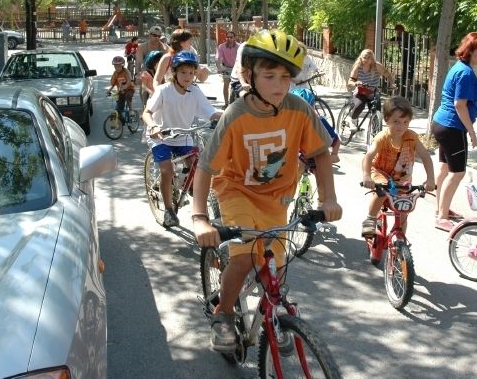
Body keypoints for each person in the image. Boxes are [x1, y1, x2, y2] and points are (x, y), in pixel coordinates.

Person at [189, 29, 343, 353]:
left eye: (285, 77)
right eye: (269, 75)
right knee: (244, 260)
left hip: (277, 200)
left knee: (276, 267)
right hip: (236, 192)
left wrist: (328, 199)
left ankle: (270, 314)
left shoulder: (299, 110)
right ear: (249, 76)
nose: (278, 85)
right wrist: (200, 218)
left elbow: (320, 153)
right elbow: (205, 167)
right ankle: (224, 313)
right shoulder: (235, 116)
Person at [142, 51, 222, 228]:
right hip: (161, 136)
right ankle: (169, 211)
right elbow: (146, 113)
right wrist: (153, 126)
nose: (188, 76)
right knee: (167, 170)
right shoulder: (164, 90)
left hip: (183, 136)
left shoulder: (195, 92)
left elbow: (211, 112)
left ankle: (191, 193)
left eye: (191, 73)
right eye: (184, 72)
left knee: (197, 166)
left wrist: (229, 115)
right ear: (175, 72)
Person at [430, 31, 477, 232]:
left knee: (445, 169)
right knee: (458, 173)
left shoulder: (458, 67)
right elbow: (460, 105)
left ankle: (442, 208)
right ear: (471, 51)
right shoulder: (465, 73)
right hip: (453, 127)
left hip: (441, 123)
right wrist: (471, 132)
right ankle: (441, 216)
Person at [361, 96, 436, 237]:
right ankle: (370, 219)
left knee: (404, 208)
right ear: (386, 120)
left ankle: (400, 238)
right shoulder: (382, 137)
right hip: (379, 172)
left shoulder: (412, 137)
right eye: (396, 122)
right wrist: (366, 175)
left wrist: (430, 179)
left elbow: (426, 157)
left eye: (405, 122)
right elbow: (369, 156)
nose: (401, 126)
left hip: (402, 179)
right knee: (382, 189)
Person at [292, 87, 340, 164]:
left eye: (307, 111)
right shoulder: (288, 123)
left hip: (313, 156)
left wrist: (334, 154)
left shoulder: (320, 122)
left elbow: (336, 140)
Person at [346, 49, 394, 119]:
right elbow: (350, 82)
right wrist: (356, 83)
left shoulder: (377, 66)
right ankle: (353, 120)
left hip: (373, 93)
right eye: (364, 57)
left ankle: (375, 127)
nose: (366, 60)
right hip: (360, 92)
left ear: (372, 58)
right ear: (361, 58)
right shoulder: (358, 67)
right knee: (360, 105)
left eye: (369, 58)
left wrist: (392, 83)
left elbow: (388, 75)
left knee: (376, 112)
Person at [215, 30, 239, 108]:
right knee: (226, 84)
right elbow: (217, 58)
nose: (229, 38)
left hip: (237, 69)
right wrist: (219, 68)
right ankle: (226, 103)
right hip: (226, 68)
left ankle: (236, 103)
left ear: (235, 38)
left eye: (231, 37)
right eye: (227, 37)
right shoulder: (222, 46)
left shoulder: (239, 46)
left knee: (236, 86)